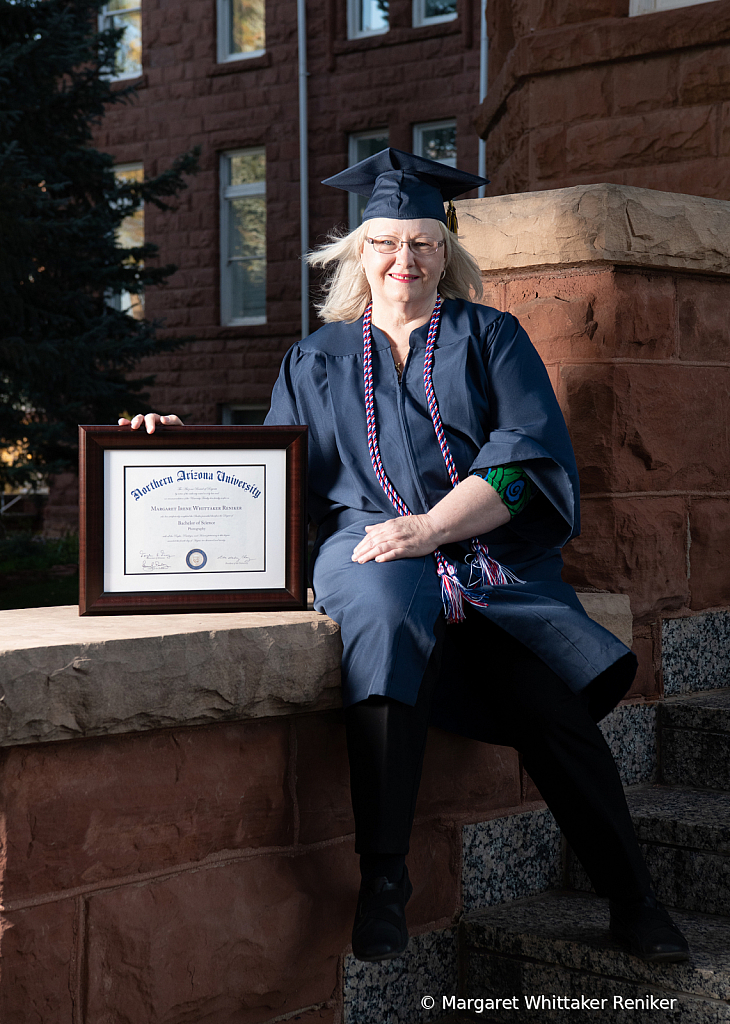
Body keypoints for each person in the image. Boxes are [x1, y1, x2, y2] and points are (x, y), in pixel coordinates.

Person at [122, 148, 689, 967]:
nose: (405, 259)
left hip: (484, 563)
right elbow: (276, 478)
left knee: (548, 706)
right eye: (387, 241)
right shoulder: (315, 356)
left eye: (423, 242)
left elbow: (525, 459)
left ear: (446, 254)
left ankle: (634, 900)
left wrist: (429, 530)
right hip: (371, 552)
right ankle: (383, 881)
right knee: (384, 612)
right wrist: (178, 453)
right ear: (361, 252)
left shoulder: (489, 335)